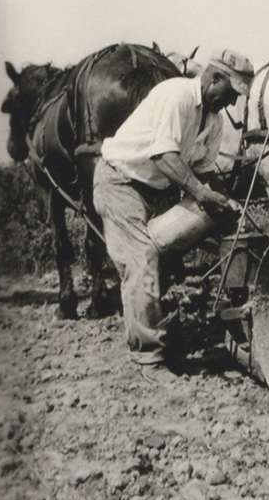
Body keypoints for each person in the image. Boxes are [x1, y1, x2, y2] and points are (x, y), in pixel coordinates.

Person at [93, 49, 254, 378]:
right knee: (141, 262)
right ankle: (149, 359)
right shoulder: (175, 94)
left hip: (156, 191)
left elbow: (205, 171)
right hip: (120, 182)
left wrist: (224, 202)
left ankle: (231, 312)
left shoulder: (214, 120)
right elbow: (163, 155)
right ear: (213, 78)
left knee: (222, 224)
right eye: (231, 93)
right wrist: (202, 194)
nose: (233, 103)